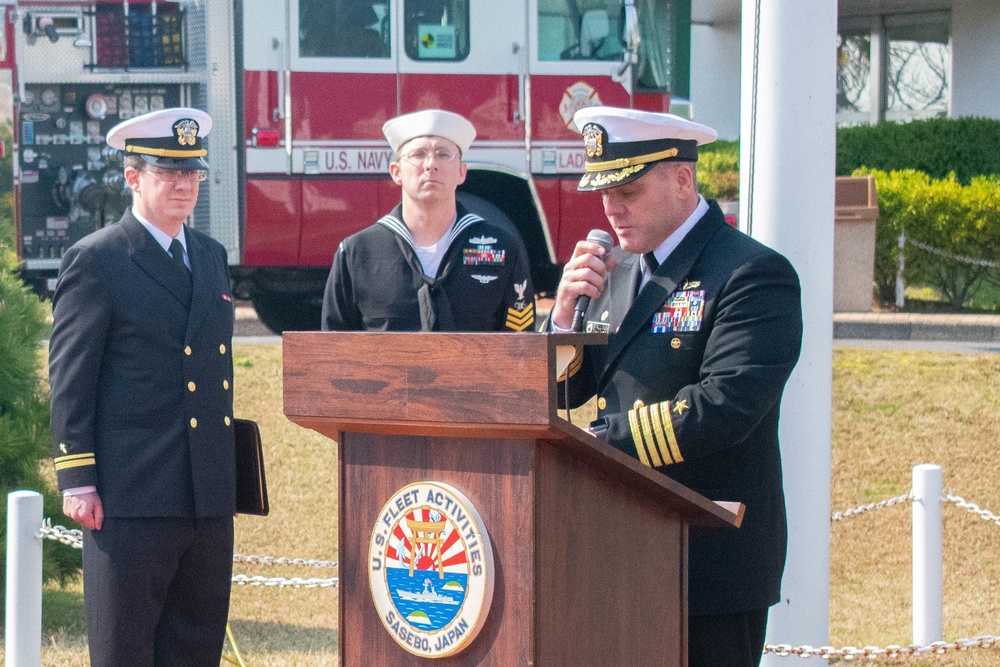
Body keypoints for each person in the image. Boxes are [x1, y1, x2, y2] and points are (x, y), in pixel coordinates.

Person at [549, 106, 803, 667]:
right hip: (616, 547)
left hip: (707, 561)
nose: (612, 208)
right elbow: (567, 390)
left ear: (682, 180)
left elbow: (725, 406)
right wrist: (564, 317)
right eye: (604, 192)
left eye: (630, 189)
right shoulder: (614, 270)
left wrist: (597, 441)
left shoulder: (750, 273)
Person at [49, 107, 238, 667]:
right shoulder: (98, 259)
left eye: (192, 173)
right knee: (124, 651)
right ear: (132, 176)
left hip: (205, 494)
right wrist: (77, 479)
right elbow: (71, 378)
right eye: (167, 172)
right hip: (129, 493)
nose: (183, 185)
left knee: (194, 649)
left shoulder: (209, 256)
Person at [322, 108, 535, 332]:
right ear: (396, 172)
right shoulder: (357, 253)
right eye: (418, 154)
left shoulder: (504, 248)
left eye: (443, 154)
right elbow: (332, 351)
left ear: (461, 172)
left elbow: (521, 346)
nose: (431, 164)